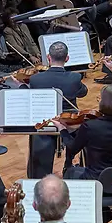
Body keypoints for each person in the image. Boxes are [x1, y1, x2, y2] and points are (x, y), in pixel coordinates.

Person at [58, 84, 112, 223]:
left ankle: (77, 219)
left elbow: (72, 148)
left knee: (70, 171)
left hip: (94, 181)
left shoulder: (91, 127)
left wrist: (63, 131)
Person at [27, 42, 88, 174]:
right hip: (70, 123)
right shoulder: (74, 77)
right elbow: (83, 92)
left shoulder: (36, 79)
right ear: (67, 58)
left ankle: (39, 175)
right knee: (85, 131)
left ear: (48, 57)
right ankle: (70, 163)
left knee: (37, 136)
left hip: (46, 122)